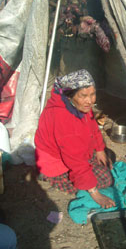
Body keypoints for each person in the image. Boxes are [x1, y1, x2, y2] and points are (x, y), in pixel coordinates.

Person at [35, 69, 115, 209]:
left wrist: (100, 150)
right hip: (56, 162)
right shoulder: (64, 119)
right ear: (70, 96)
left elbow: (92, 126)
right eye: (83, 95)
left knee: (108, 159)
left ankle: (86, 175)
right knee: (105, 180)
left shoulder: (79, 105)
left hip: (74, 151)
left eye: (92, 94)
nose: (90, 101)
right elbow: (75, 160)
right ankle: (48, 176)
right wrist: (95, 194)